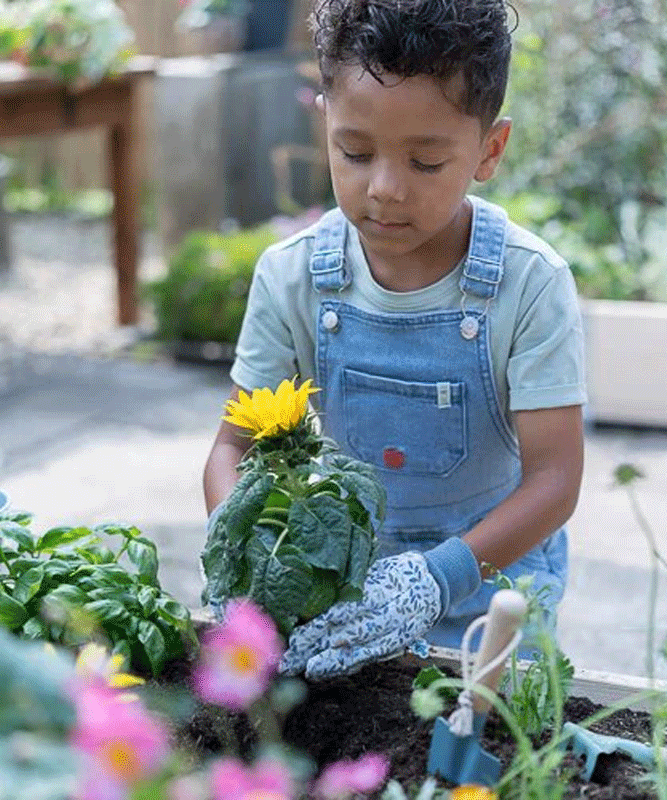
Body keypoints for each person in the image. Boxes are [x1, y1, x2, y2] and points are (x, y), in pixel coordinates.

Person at [203, 0, 586, 680]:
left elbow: (554, 480)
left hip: (497, 593)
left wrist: (434, 580)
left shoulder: (529, 285)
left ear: (489, 150)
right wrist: (248, 560)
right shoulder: (294, 276)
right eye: (355, 152)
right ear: (324, 121)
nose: (383, 189)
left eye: (427, 163)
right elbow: (233, 448)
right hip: (351, 597)